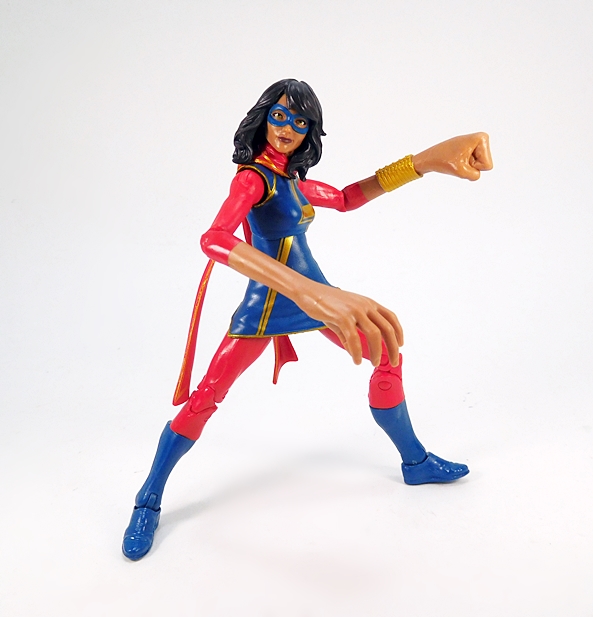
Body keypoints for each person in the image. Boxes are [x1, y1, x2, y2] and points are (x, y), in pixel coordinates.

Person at [122, 79, 493, 560]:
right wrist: (310, 293)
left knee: (388, 354)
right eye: (279, 116)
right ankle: (148, 499)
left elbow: (347, 197)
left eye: (299, 121)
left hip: (320, 300)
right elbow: (214, 239)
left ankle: (415, 461)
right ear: (262, 118)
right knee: (205, 399)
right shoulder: (252, 180)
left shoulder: (292, 183)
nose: (287, 128)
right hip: (271, 306)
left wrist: (424, 161)